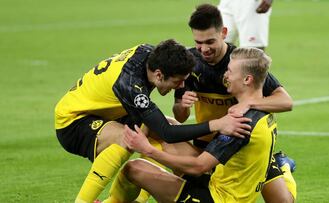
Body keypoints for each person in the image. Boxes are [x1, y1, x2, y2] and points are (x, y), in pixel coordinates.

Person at [54, 39, 250, 203]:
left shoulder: (151, 55)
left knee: (163, 127)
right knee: (127, 139)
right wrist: (217, 124)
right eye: (177, 81)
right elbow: (168, 134)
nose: (180, 86)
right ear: (159, 75)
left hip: (109, 111)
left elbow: (165, 130)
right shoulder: (131, 85)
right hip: (73, 120)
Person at [116, 47, 282, 203]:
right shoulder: (262, 111)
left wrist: (148, 150)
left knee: (134, 168)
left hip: (216, 198)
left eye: (230, 71)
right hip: (221, 184)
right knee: (169, 128)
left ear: (247, 79)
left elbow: (199, 166)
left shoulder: (240, 122)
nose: (225, 76)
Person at [172, 4, 296, 202]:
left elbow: (285, 101)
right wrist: (182, 105)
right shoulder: (189, 62)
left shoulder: (241, 62)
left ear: (224, 32)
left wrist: (250, 104)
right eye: (198, 42)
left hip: (243, 149)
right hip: (206, 146)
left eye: (210, 41)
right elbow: (180, 116)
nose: (204, 49)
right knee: (178, 184)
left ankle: (283, 166)